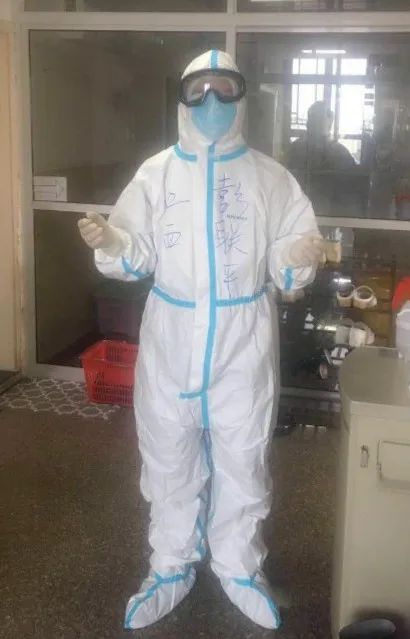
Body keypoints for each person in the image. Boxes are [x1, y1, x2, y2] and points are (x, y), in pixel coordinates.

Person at [78, 49, 322, 631]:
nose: (211, 101)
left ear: (242, 97)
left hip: (242, 339)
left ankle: (239, 567)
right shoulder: (156, 173)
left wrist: (296, 255)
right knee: (168, 457)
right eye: (198, 90)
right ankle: (171, 566)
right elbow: (136, 251)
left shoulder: (270, 178)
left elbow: (290, 254)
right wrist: (114, 242)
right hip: (173, 337)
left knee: (244, 457)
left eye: (224, 89)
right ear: (183, 100)